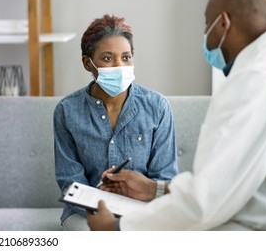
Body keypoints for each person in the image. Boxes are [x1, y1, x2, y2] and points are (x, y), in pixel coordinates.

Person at [87, 0, 266, 231]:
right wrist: (158, 189)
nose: (205, 37)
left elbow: (204, 204)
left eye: (207, 25)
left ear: (223, 23)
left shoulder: (255, 79)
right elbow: (230, 182)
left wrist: (116, 229)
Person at [54, 14, 178, 231]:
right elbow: (70, 183)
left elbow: (165, 176)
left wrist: (128, 219)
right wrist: (106, 216)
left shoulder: (157, 107)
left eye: (126, 57)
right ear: (88, 63)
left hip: (143, 211)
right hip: (86, 213)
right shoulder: (67, 111)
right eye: (108, 58)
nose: (120, 66)